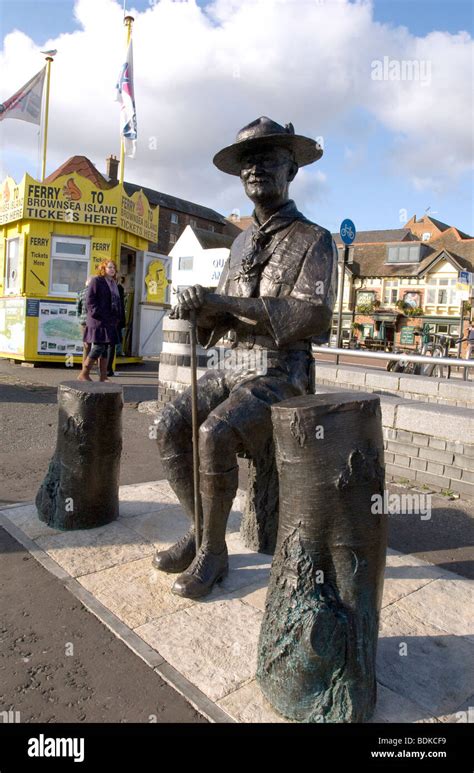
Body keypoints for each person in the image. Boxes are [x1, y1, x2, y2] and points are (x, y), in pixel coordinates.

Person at [152, 116, 337, 599]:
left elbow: (312, 316)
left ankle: (214, 557)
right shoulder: (237, 242)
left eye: (268, 159)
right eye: (247, 162)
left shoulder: (314, 240)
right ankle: (203, 534)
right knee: (168, 423)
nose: (255, 170)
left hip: (282, 371)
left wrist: (225, 305)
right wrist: (198, 307)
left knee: (214, 433)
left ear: (291, 170)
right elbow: (222, 319)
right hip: (232, 365)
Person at [78, 260, 123, 382]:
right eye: (109, 267)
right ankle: (84, 373)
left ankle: (103, 376)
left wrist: (117, 318)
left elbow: (117, 302)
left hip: (110, 321)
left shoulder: (113, 283)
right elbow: (90, 300)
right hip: (98, 320)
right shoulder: (97, 281)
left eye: (114, 267)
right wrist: (96, 313)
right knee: (99, 346)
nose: (112, 269)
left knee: (105, 347)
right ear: (103, 268)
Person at [106, 278, 126, 376]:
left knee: (104, 345)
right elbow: (120, 305)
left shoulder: (105, 288)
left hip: (107, 319)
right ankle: (107, 369)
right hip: (114, 320)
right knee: (111, 345)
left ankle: (103, 369)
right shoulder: (119, 289)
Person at [76, 276, 93, 366]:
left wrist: (81, 317)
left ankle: (85, 366)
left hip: (83, 323)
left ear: (86, 283)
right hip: (93, 322)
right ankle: (97, 366)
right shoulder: (95, 293)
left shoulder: (81, 293)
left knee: (86, 346)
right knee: (99, 345)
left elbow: (78, 308)